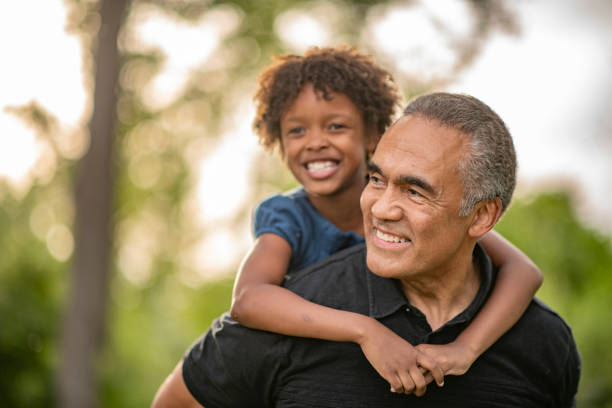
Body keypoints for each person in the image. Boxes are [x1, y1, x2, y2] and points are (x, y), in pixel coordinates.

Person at [154, 92, 580, 405]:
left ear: (482, 217)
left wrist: (466, 349)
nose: (381, 208)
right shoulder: (291, 314)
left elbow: (525, 271)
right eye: (376, 180)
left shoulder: (545, 344)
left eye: (415, 191)